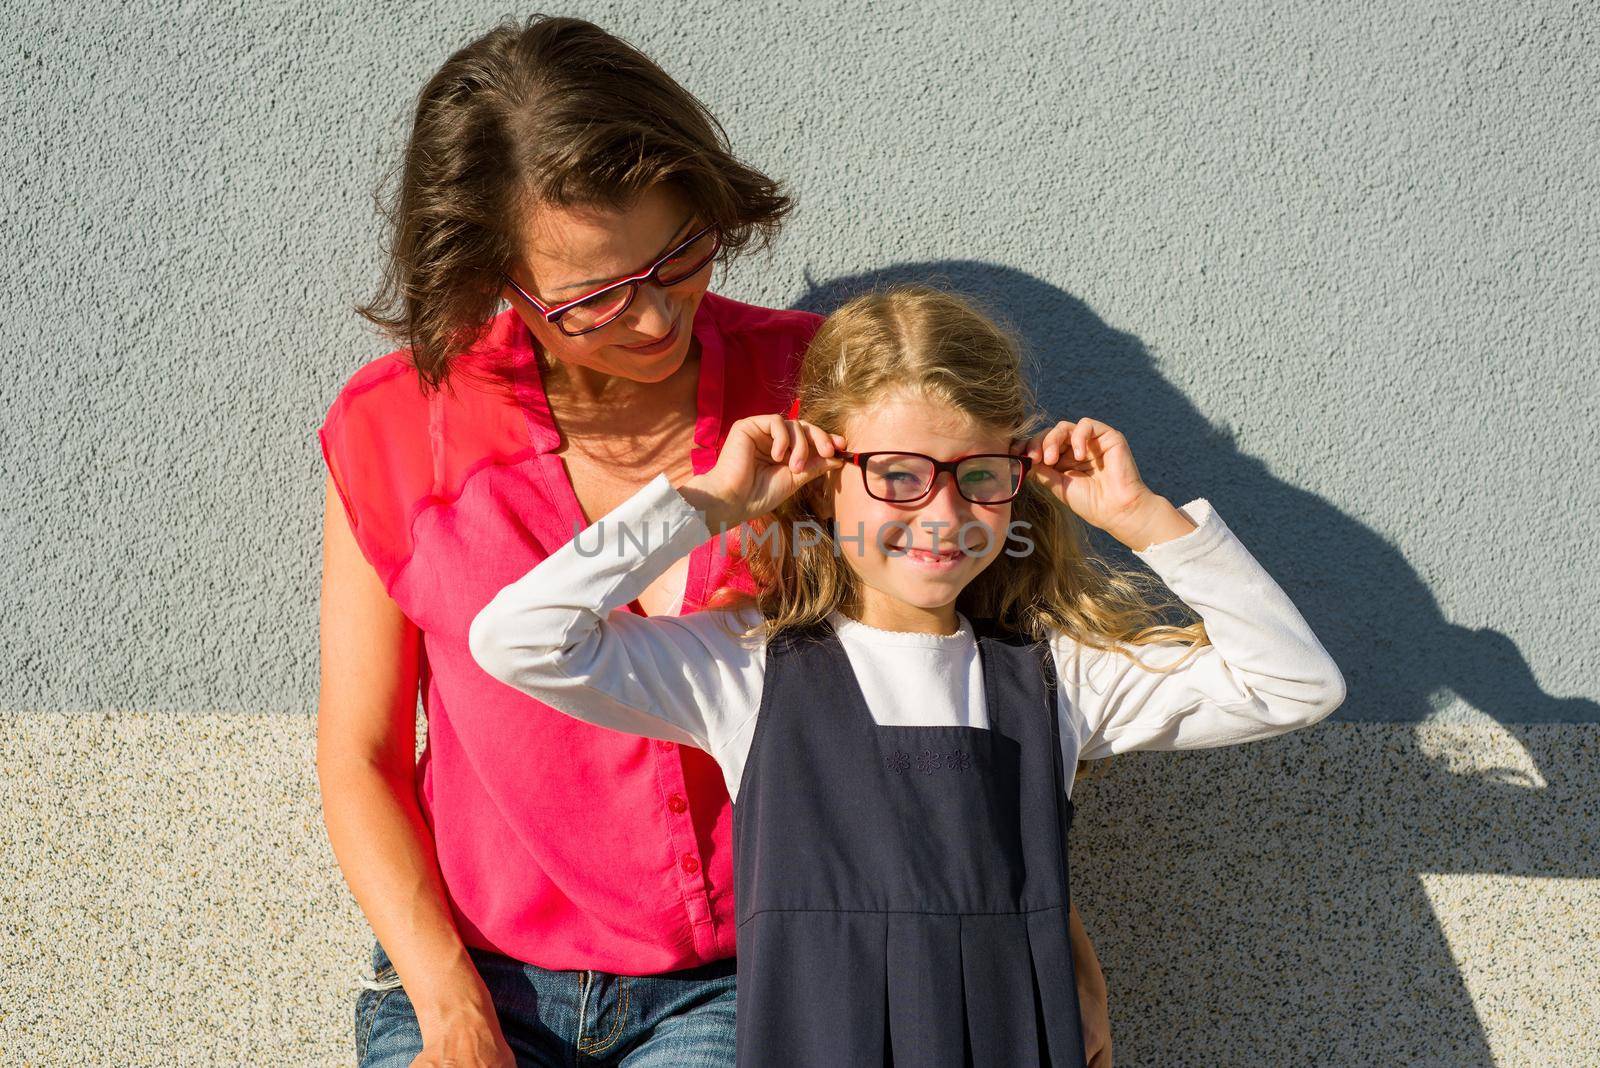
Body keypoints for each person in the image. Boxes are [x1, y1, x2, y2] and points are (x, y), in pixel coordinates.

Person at [315, 16, 1115, 1066]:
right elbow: (360, 752)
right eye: (594, 298)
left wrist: (1053, 943)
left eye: (679, 255)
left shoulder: (815, 390)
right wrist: (446, 1009)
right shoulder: (395, 429)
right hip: (473, 975)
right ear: (489, 280)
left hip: (763, 972)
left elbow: (968, 682)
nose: (653, 318)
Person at [467, 286, 1347, 1066]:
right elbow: (520, 640)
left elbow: (1296, 686)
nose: (945, 513)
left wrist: (1144, 518)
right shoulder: (742, 668)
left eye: (980, 477)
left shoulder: (1055, 677)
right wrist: (708, 501)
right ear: (822, 488)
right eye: (897, 476)